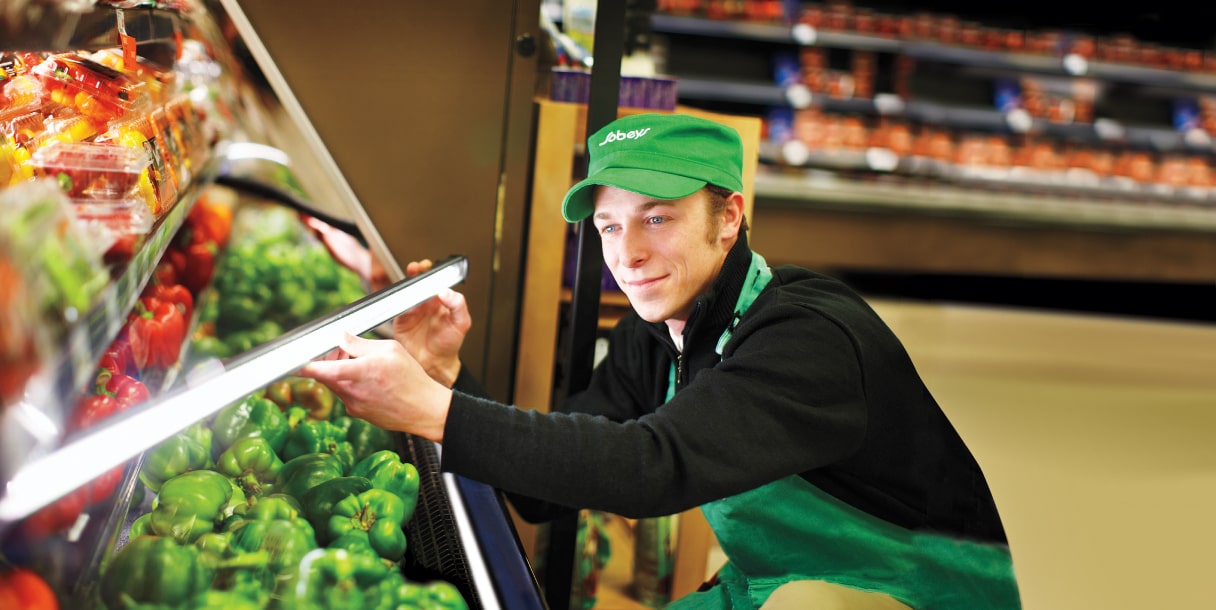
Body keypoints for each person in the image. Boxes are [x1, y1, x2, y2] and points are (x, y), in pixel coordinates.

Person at [301, 113, 1022, 609]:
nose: (627, 254)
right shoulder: (661, 333)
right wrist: (444, 371)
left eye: (657, 217)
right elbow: (545, 491)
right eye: (610, 226)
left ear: (729, 216)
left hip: (902, 592)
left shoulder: (807, 339)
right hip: (787, 583)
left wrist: (428, 408)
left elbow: (651, 467)